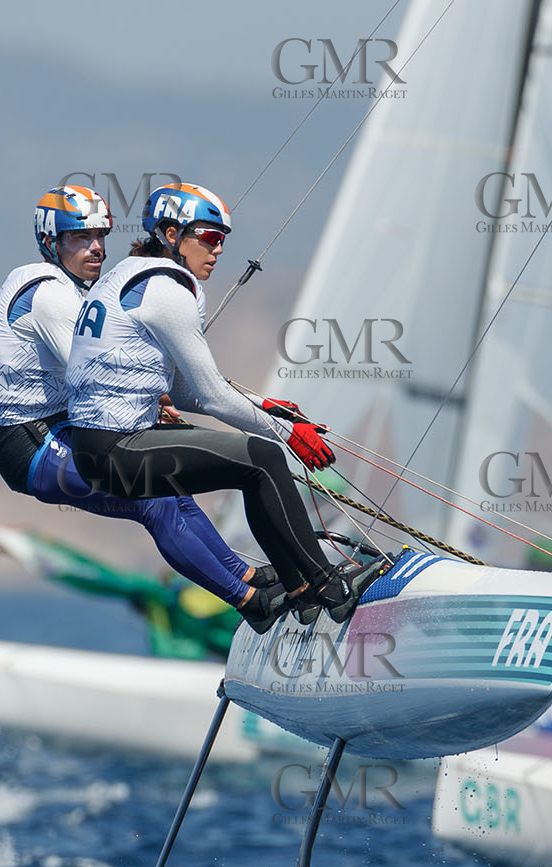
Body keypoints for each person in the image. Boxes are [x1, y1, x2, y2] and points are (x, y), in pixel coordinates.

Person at [0, 184, 287, 632]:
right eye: (81, 238)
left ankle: (247, 575)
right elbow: (97, 373)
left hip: (58, 428)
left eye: (100, 236)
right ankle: (252, 603)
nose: (96, 248)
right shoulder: (53, 296)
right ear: (51, 243)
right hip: (31, 444)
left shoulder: (53, 285)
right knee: (152, 500)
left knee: (171, 481)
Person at [64, 182, 361, 624]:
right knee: (262, 456)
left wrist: (265, 405)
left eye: (223, 239)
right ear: (170, 234)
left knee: (253, 465)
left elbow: (184, 392)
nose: (218, 249)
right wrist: (288, 434)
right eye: (209, 237)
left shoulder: (129, 274)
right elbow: (211, 396)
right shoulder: (168, 291)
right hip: (117, 449)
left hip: (102, 448)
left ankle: (298, 589)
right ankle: (326, 585)